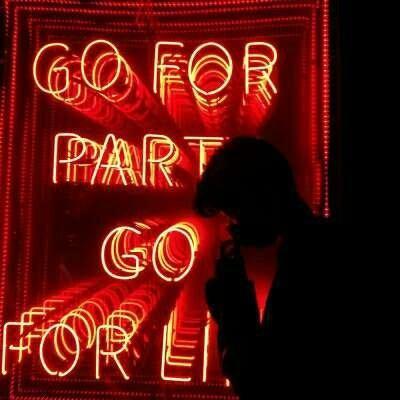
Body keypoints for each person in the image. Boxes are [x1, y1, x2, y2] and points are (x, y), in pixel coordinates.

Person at [195, 136, 345, 399]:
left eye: (234, 214)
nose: (234, 230)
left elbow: (263, 383)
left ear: (260, 197)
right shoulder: (313, 247)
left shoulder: (307, 261)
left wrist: (233, 314)